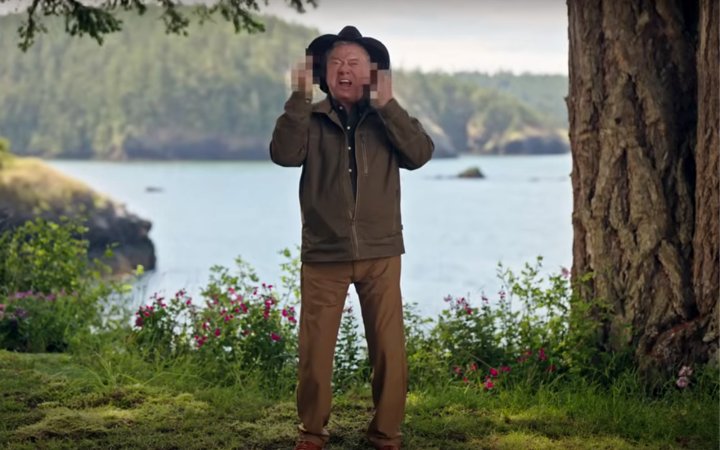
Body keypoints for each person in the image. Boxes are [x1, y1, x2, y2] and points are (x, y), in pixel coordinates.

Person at [269, 25, 434, 450]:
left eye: (354, 63)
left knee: (389, 348)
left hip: (381, 251)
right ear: (322, 73)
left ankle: (386, 432)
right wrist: (299, 97)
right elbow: (284, 155)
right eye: (336, 63)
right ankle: (311, 431)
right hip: (325, 251)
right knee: (316, 349)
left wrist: (389, 104)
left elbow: (419, 154)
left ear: (372, 74)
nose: (344, 70)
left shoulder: (389, 119)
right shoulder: (308, 117)